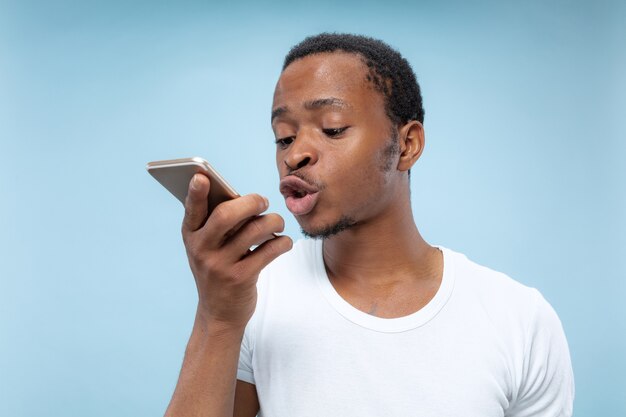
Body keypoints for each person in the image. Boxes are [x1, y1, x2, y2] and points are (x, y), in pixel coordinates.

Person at [164, 33, 574, 417]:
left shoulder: (519, 319)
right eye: (284, 137)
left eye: (332, 128)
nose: (295, 155)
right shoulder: (255, 292)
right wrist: (216, 319)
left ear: (407, 145)